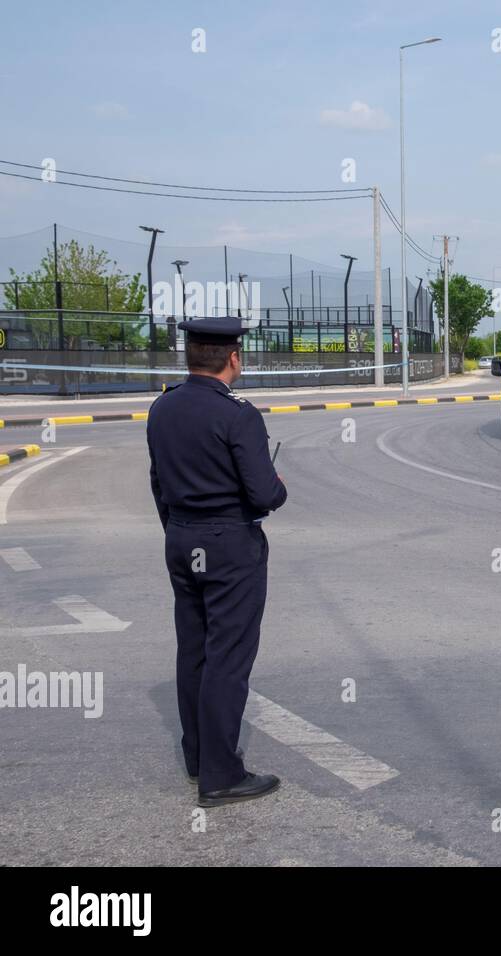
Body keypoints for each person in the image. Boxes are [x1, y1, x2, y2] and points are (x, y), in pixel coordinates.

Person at [146, 316, 287, 807]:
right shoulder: (239, 415)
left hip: (182, 539)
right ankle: (221, 775)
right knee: (228, 658)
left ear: (190, 357)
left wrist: (180, 531)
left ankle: (198, 756)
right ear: (233, 358)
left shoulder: (161, 408)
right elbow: (265, 493)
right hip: (230, 545)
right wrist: (278, 485)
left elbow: (158, 483)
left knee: (195, 651)